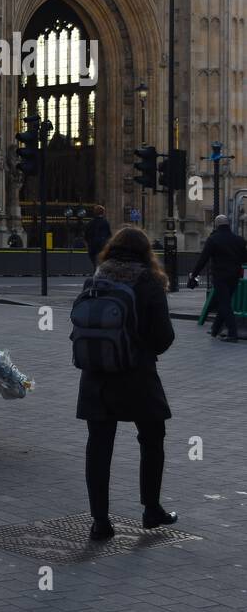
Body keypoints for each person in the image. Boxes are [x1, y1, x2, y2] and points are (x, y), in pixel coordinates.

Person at [76, 226, 177, 541]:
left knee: (99, 446)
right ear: (146, 253)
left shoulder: (95, 279)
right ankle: (151, 509)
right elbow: (165, 337)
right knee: (152, 438)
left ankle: (100, 522)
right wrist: (142, 348)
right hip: (136, 375)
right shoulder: (148, 282)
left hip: (96, 375)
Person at [188, 214, 247, 342]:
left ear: (216, 225)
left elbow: (203, 259)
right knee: (224, 302)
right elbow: (244, 258)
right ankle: (215, 330)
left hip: (220, 276)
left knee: (224, 304)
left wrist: (194, 274)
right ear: (228, 224)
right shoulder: (239, 240)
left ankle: (233, 333)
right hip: (235, 276)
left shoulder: (213, 239)